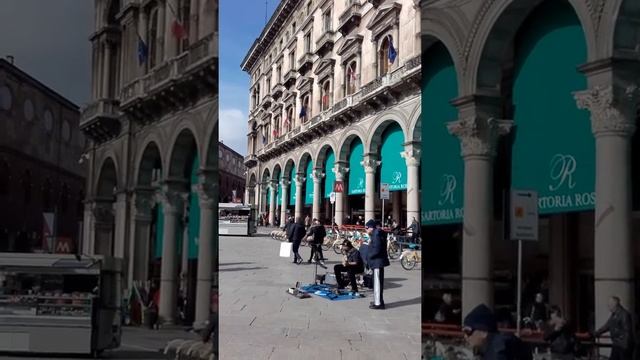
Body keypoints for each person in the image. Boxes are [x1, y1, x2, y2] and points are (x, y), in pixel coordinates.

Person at [463, 304, 532, 360]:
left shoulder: (498, 351)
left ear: (483, 332)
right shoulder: (494, 344)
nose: (465, 336)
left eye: (468, 331)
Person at [366, 219, 389, 310]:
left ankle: (378, 303)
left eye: (366, 228)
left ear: (371, 227)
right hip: (378, 262)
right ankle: (378, 300)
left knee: (377, 284)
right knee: (378, 283)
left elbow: (377, 248)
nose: (366, 230)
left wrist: (369, 256)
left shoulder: (376, 234)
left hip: (377, 262)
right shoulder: (377, 233)